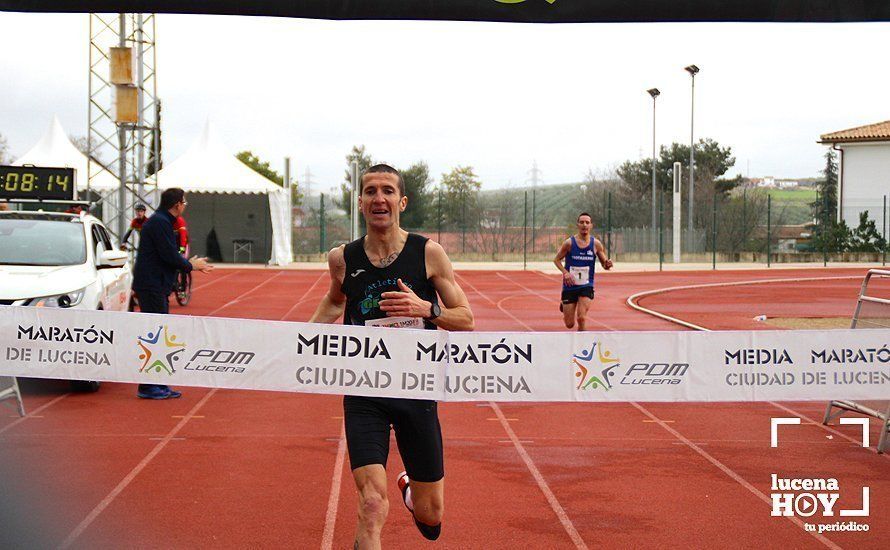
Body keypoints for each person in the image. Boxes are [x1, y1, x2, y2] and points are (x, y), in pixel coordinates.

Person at [309, 164, 474, 549]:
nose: (378, 198)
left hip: (417, 390)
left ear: (401, 201)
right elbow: (334, 303)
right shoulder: (343, 259)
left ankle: (412, 492)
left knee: (431, 518)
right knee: (370, 504)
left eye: (386, 191)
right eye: (370, 191)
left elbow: (465, 319)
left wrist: (425, 309)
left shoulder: (428, 253)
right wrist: (294, 342)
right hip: (365, 391)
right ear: (361, 202)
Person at [132, 188, 213, 399]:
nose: (185, 206)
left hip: (154, 284)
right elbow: (168, 254)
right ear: (177, 204)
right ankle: (149, 385)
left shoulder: (161, 221)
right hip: (151, 285)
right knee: (155, 335)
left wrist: (187, 264)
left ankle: (156, 382)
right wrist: (190, 265)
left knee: (158, 334)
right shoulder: (160, 222)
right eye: (184, 202)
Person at [553, 212, 612, 331]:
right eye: (582, 222)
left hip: (586, 285)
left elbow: (604, 264)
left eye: (587, 222)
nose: (584, 225)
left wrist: (607, 264)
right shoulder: (569, 243)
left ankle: (582, 344)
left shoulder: (595, 244)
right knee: (569, 324)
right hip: (570, 286)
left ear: (591, 225)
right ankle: (564, 306)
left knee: (581, 318)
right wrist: (566, 273)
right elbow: (556, 260)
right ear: (578, 225)